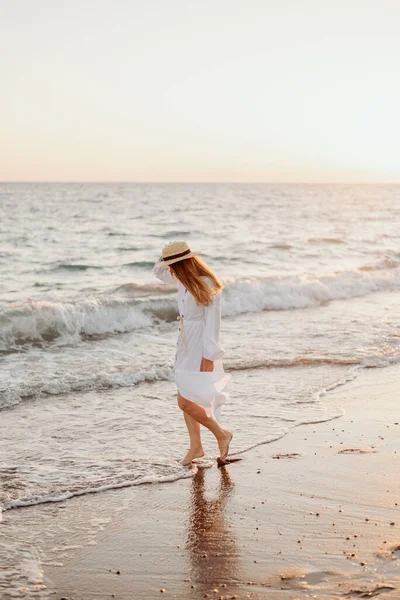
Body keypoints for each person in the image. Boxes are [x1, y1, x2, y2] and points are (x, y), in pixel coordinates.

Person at [152, 240, 233, 465]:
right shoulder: (182, 279)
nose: (169, 269)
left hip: (200, 345)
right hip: (185, 343)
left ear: (183, 264)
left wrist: (209, 356)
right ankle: (196, 447)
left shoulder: (206, 283)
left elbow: (213, 324)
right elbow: (157, 272)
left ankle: (221, 434)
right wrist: (167, 257)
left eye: (173, 265)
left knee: (185, 401)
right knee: (187, 395)